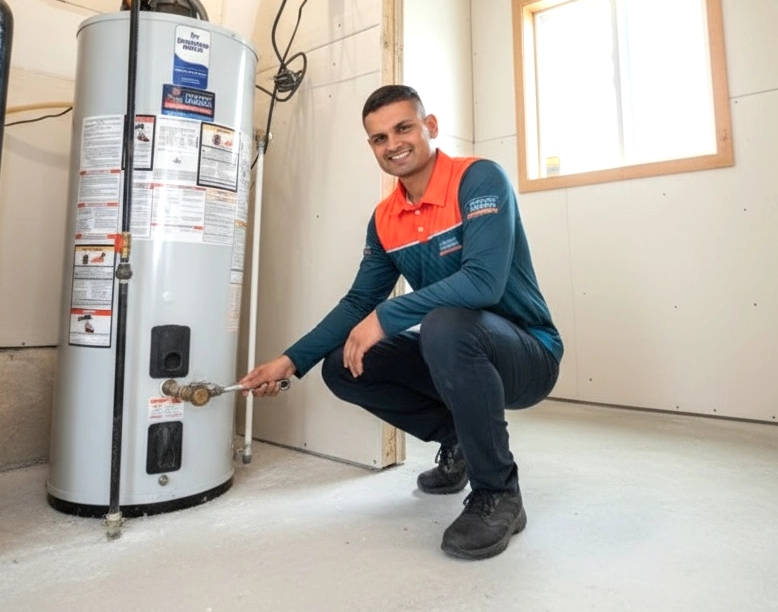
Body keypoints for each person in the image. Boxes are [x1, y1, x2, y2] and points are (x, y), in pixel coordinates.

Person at [239, 84, 562, 560]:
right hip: (457, 348)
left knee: (444, 325)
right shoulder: (385, 219)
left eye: (403, 128)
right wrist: (289, 361)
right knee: (344, 364)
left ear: (429, 127)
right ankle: (459, 441)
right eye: (378, 138)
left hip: (527, 354)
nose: (393, 144)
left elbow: (483, 285)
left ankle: (500, 494)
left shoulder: (478, 180)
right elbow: (357, 303)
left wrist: (386, 316)